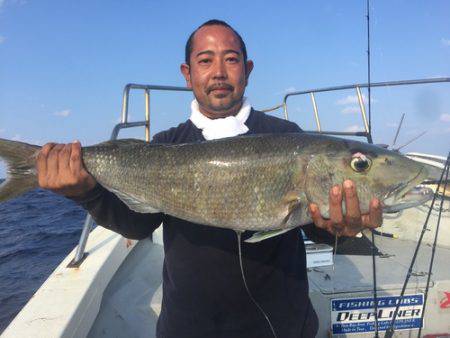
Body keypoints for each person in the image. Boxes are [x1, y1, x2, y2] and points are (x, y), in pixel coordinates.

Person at [36, 20, 382, 338]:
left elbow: (314, 227)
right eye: (205, 61)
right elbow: (138, 226)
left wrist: (341, 228)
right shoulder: (166, 144)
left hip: (283, 325)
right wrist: (87, 194)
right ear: (187, 74)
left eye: (230, 60)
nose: (218, 72)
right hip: (188, 327)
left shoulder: (287, 136)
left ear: (247, 71)